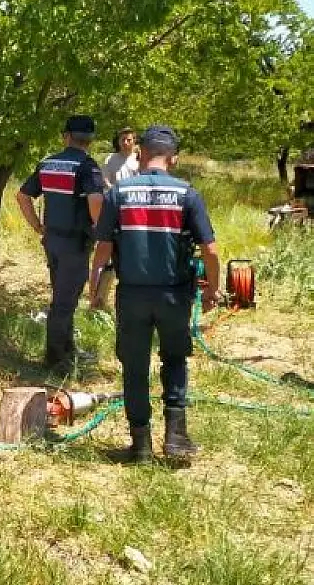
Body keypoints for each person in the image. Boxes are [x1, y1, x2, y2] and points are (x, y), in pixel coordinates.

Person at [88, 125, 219, 463]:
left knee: (134, 366)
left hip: (132, 296)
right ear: (173, 158)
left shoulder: (119, 193)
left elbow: (103, 247)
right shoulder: (188, 194)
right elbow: (211, 250)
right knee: (174, 359)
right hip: (175, 296)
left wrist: (94, 288)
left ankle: (141, 446)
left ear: (141, 154)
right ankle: (176, 437)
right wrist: (213, 290)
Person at [15, 115, 105, 374]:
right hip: (75, 244)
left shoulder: (47, 164)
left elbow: (22, 196)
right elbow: (96, 200)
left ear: (66, 136)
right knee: (64, 303)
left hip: (52, 240)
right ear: (90, 140)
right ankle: (55, 361)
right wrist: (102, 233)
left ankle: (67, 349)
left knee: (63, 297)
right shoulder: (88, 167)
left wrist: (38, 227)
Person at [93, 127, 140, 310]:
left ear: (134, 141)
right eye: (123, 140)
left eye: (129, 139)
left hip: (135, 210)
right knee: (107, 253)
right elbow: (104, 180)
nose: (126, 143)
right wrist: (115, 191)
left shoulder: (139, 159)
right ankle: (99, 299)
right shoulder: (111, 159)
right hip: (115, 206)